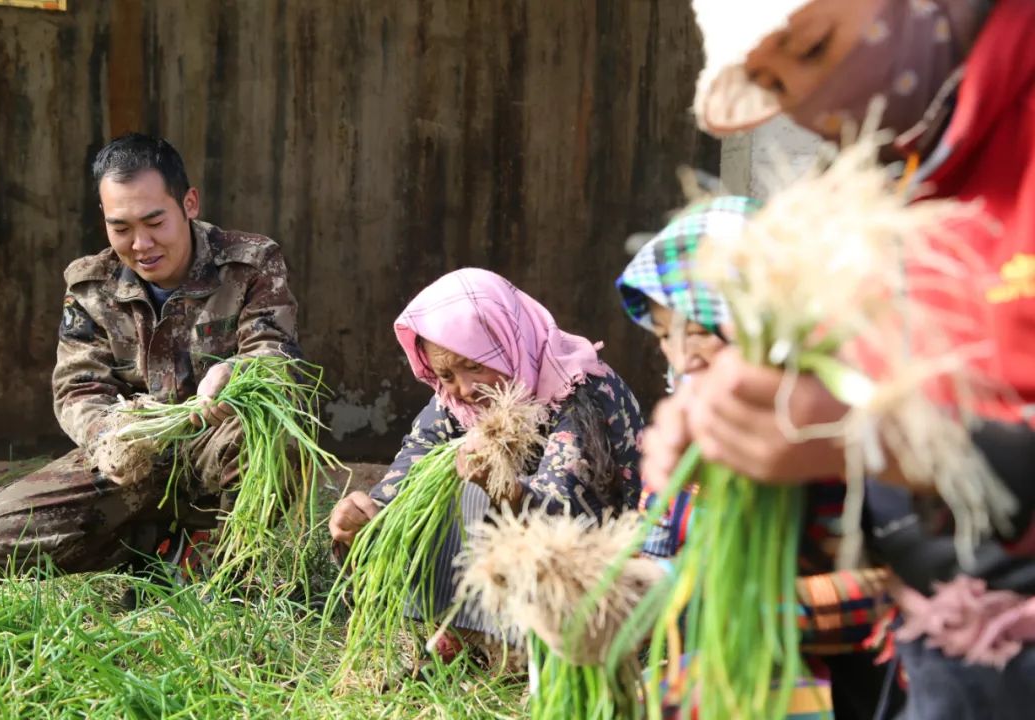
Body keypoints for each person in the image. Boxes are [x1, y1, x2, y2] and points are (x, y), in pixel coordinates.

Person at [644, 0, 1035, 716]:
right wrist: (739, 453)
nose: (815, 99)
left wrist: (880, 440)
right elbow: (876, 516)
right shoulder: (893, 189)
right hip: (943, 673)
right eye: (775, 84)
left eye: (815, 44)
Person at [0, 133, 302, 575]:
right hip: (128, 458)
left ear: (189, 203)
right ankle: (153, 548)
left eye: (155, 222)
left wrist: (236, 371)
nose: (141, 244)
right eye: (121, 228)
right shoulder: (90, 285)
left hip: (215, 449)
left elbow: (276, 354)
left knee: (270, 430)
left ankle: (233, 564)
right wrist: (113, 436)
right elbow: (78, 387)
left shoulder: (250, 263)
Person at [617, 197, 899, 719]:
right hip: (719, 682)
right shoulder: (685, 429)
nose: (683, 358)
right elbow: (655, 544)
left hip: (846, 693)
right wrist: (624, 591)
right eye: (663, 337)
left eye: (700, 329)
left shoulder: (838, 429)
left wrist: (742, 607)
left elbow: (899, 594)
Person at [328, 268, 644, 651]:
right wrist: (369, 511)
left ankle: (506, 641)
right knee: (436, 481)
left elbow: (569, 514)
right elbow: (409, 472)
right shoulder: (454, 403)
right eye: (445, 375)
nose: (463, 389)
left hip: (589, 575)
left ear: (509, 340)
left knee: (476, 492)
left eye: (475, 365)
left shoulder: (580, 393)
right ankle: (455, 627)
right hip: (502, 575)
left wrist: (505, 490)